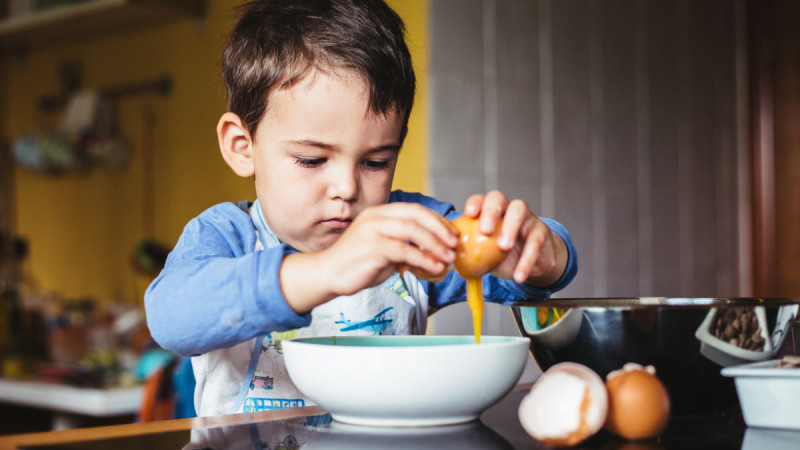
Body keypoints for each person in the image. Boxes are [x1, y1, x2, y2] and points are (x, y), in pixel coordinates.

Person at [145, 0, 578, 419]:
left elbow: (514, 275)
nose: (347, 188)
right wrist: (327, 271)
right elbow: (172, 318)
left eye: (375, 162)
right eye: (312, 160)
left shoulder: (405, 232)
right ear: (243, 147)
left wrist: (542, 255)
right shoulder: (227, 236)